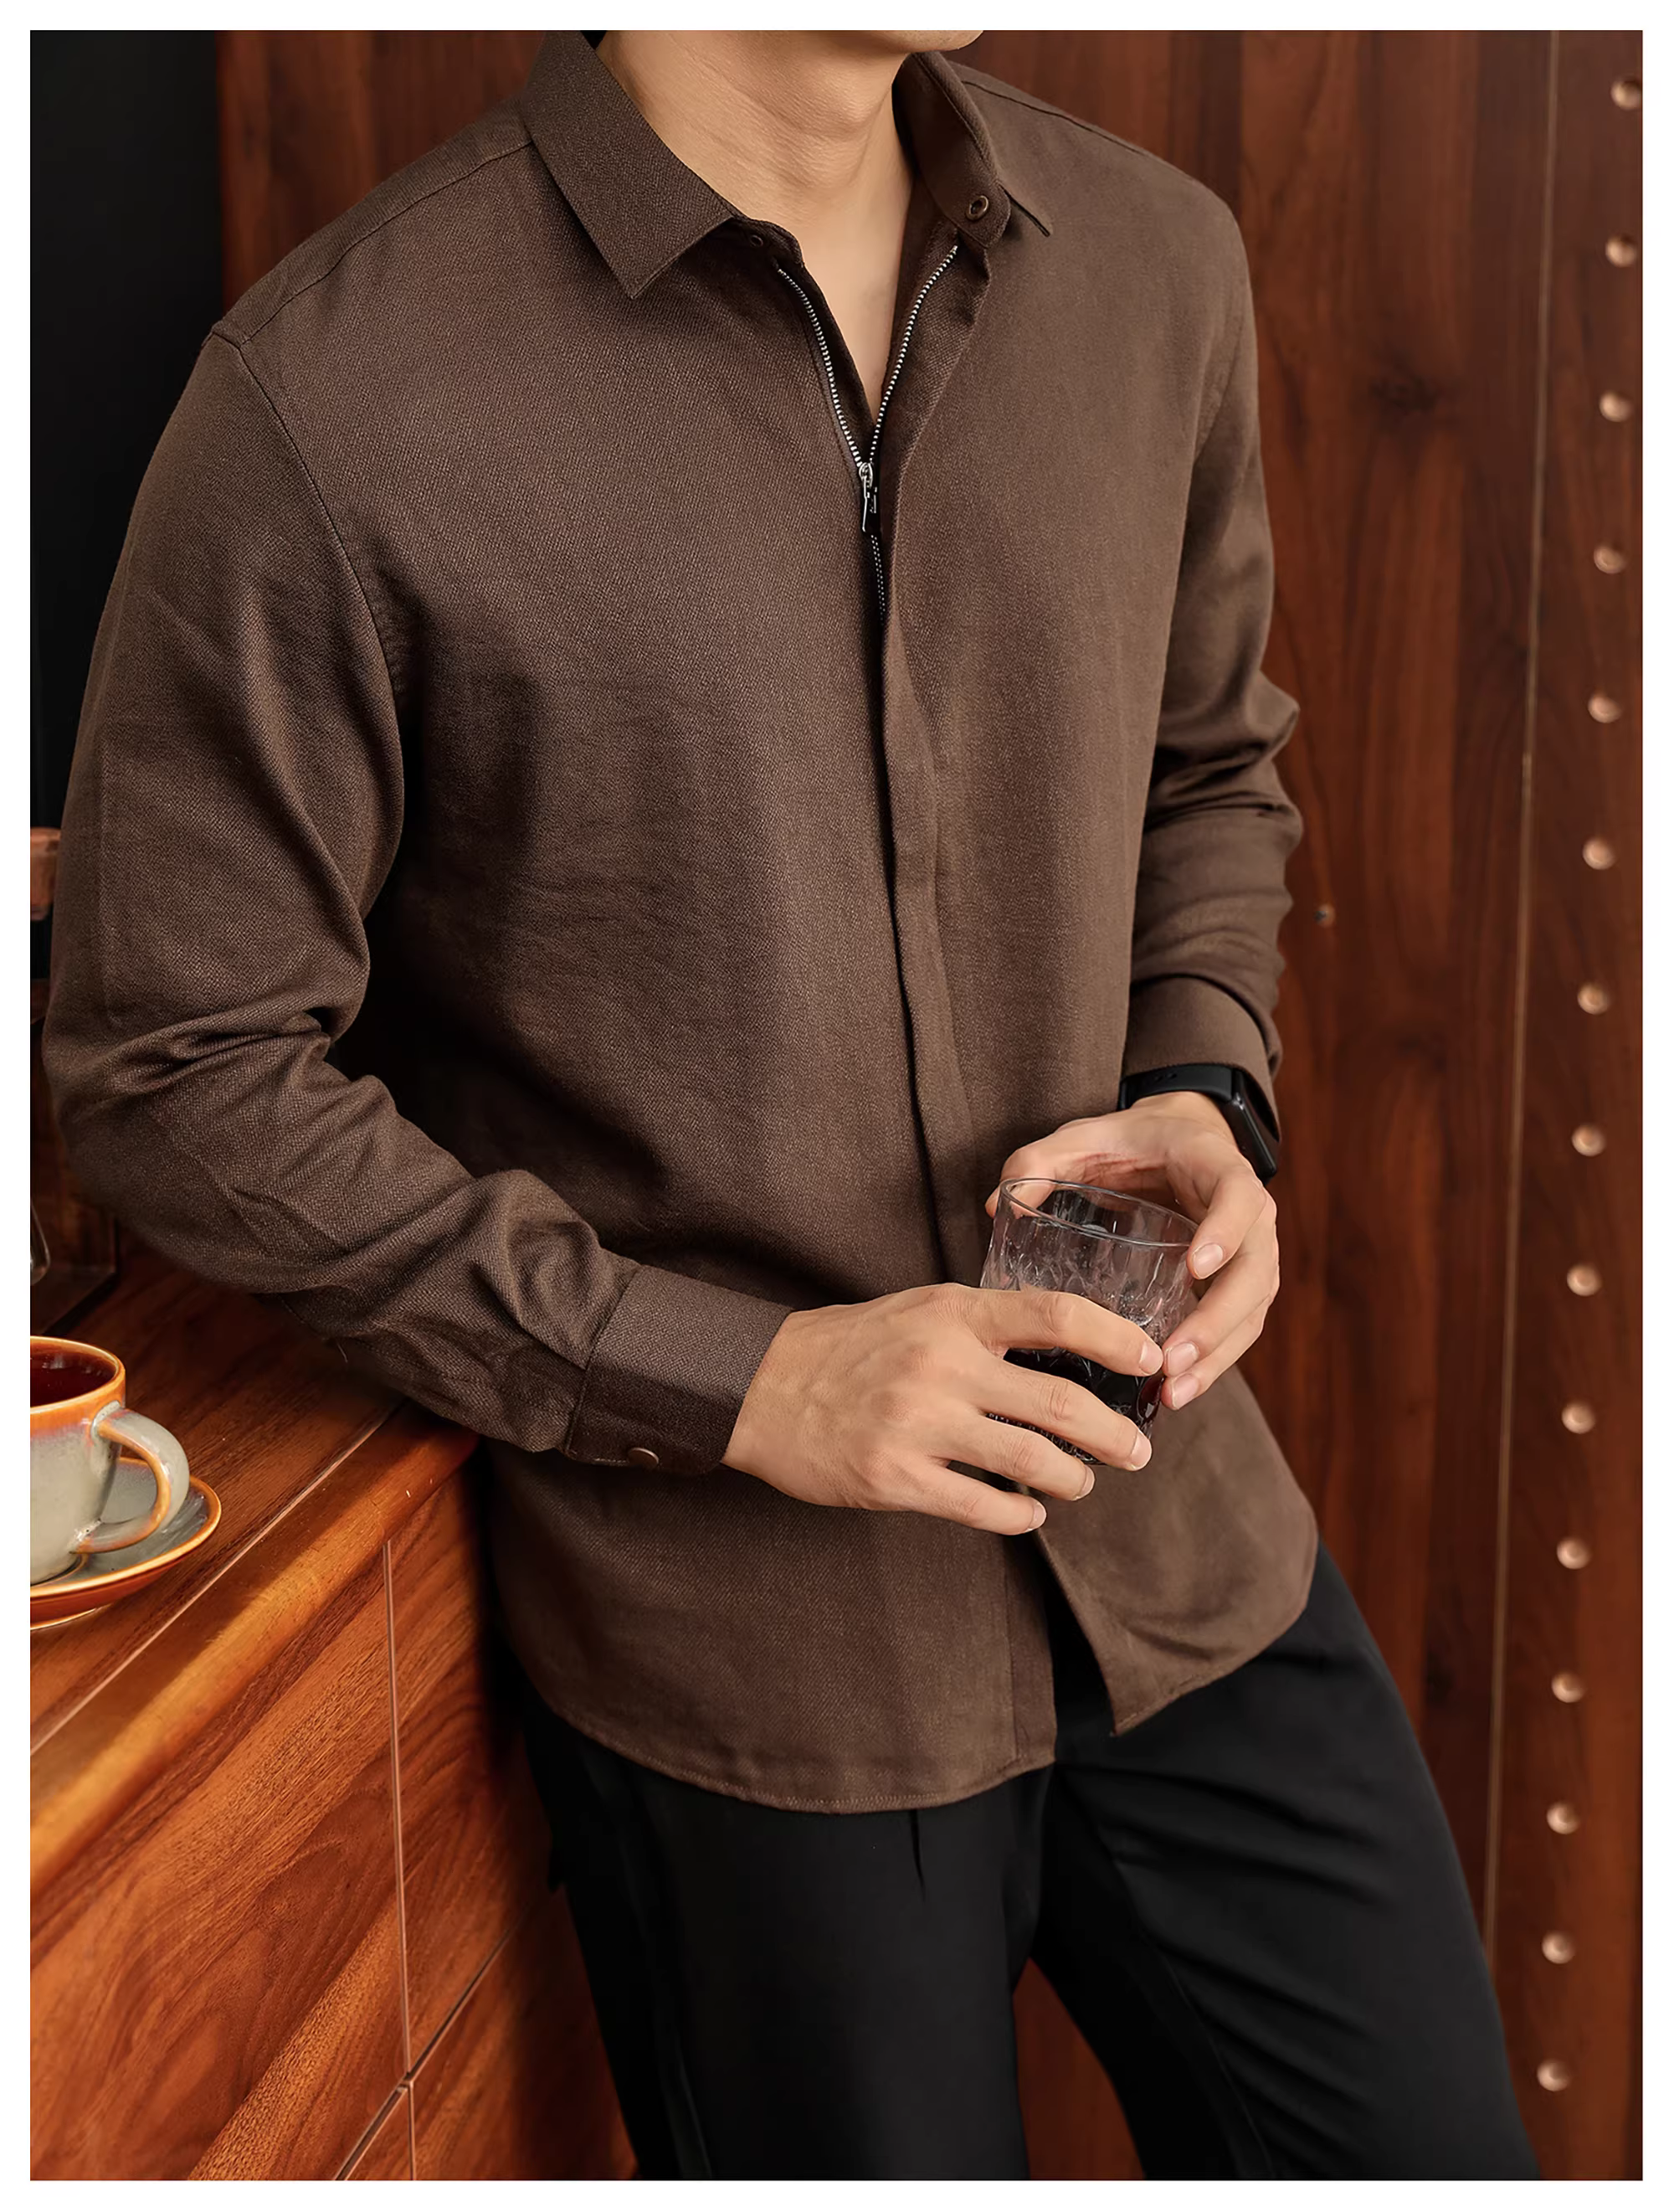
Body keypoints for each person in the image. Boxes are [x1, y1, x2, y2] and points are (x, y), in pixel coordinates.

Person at [44, 26, 1538, 2182]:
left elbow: (1207, 763)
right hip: (747, 1667)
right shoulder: (333, 395)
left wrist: (1203, 1077)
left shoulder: (1153, 264)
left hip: (1176, 1537)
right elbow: (175, 1062)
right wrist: (740, 1377)